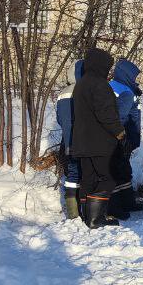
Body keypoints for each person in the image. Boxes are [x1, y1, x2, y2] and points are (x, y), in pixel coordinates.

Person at [69, 47, 126, 228]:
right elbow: (106, 114)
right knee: (108, 177)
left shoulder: (81, 83)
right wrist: (120, 132)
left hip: (82, 142)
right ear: (101, 65)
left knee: (88, 178)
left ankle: (86, 216)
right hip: (100, 142)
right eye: (107, 67)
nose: (108, 71)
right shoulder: (100, 84)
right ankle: (95, 219)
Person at [109, 58, 143, 219]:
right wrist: (124, 139)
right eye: (134, 77)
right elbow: (121, 117)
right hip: (122, 137)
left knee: (121, 169)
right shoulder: (125, 91)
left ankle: (125, 201)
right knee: (119, 170)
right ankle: (119, 204)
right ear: (126, 75)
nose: (135, 80)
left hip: (119, 137)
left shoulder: (115, 87)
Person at [55, 59, 84, 220]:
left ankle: (73, 213)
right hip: (85, 142)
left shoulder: (62, 93)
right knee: (86, 173)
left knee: (72, 174)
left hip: (68, 141)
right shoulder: (87, 90)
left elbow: (60, 119)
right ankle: (86, 209)